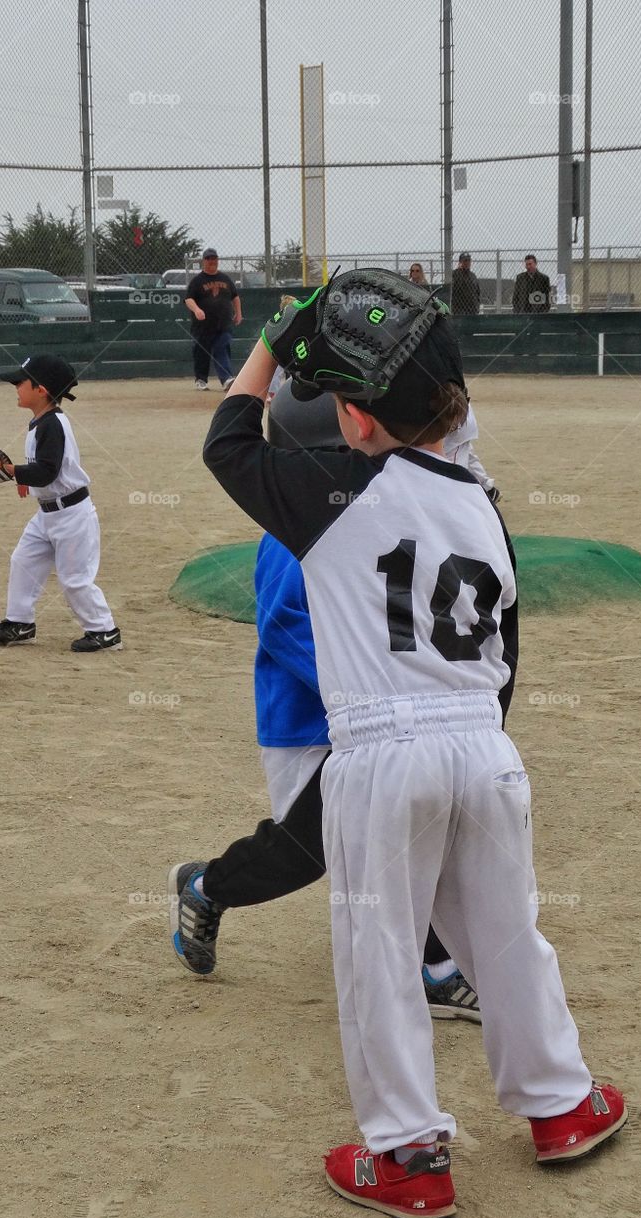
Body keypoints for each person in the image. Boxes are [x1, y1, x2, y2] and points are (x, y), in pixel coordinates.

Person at [201, 270, 625, 1218]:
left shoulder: (330, 491)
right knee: (507, 935)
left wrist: (276, 338)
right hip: (484, 745)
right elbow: (507, 652)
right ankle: (560, 1106)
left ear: (351, 420)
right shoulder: (482, 501)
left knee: (379, 951)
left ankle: (407, 1155)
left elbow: (228, 440)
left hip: (382, 752)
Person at [168, 381, 498, 1022]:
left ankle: (433, 965)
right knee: (307, 851)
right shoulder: (295, 532)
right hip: (311, 725)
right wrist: (374, 689)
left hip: (382, 723)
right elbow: (285, 628)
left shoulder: (369, 512)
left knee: (410, 830)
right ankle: (208, 886)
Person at [0, 354, 122, 653]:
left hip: (72, 515)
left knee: (75, 579)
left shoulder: (53, 425)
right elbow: (43, 469)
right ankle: (20, 622)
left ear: (41, 390)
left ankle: (104, 630)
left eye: (21, 382)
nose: (16, 386)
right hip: (47, 512)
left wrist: (13, 471)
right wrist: (24, 478)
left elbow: (48, 470)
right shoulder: (40, 422)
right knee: (23, 561)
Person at [185, 249, 243, 390]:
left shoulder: (225, 278)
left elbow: (235, 297)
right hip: (202, 326)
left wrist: (238, 313)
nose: (212, 261)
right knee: (201, 353)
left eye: (214, 258)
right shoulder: (197, 281)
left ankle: (227, 380)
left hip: (223, 324)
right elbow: (188, 299)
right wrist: (197, 310)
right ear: (203, 261)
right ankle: (201, 380)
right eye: (208, 258)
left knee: (221, 348)